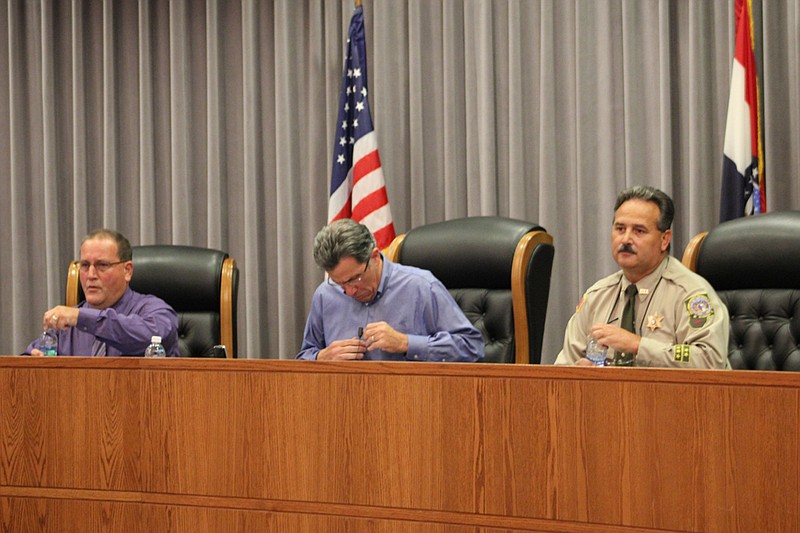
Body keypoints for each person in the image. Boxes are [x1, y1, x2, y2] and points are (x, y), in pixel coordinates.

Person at [555, 186, 730, 368]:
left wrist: (638, 345)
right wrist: (578, 373)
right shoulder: (597, 297)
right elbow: (562, 368)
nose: (626, 239)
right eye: (620, 228)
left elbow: (709, 359)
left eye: (639, 231)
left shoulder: (690, 294)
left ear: (664, 240)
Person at [296, 219, 485, 362]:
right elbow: (304, 357)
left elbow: (472, 347)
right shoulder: (325, 295)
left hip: (412, 402)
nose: (349, 291)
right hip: (344, 403)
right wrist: (321, 357)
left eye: (354, 279)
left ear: (375, 257)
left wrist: (406, 343)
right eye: (339, 283)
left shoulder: (421, 287)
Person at [24, 229, 179, 357]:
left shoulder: (154, 310)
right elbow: (23, 363)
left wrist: (82, 318)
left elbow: (152, 338)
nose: (91, 274)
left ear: (127, 271)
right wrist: (33, 366)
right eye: (84, 265)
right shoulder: (65, 325)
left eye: (102, 265)